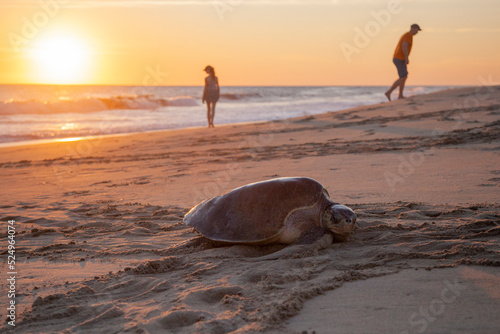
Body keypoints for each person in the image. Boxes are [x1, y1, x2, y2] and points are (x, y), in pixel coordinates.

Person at [385, 24, 421, 101]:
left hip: (398, 58)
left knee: (404, 77)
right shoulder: (408, 35)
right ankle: (389, 92)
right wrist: (406, 58)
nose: (417, 32)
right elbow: (404, 46)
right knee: (403, 77)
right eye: (417, 30)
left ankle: (400, 95)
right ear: (413, 28)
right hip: (399, 58)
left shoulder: (407, 35)